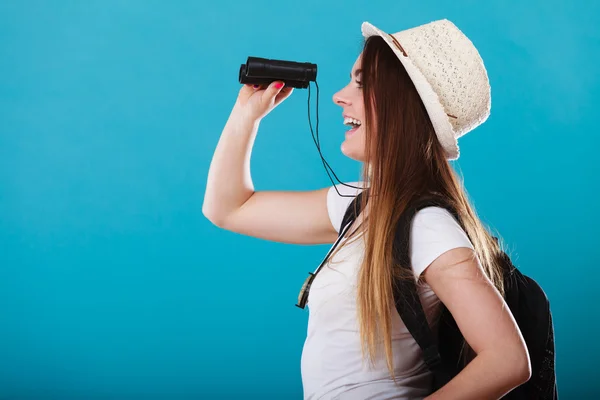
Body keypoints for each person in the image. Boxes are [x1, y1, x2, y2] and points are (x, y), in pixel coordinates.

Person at [203, 19, 531, 400]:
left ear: (402, 104)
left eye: (361, 82)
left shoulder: (427, 224)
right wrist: (247, 113)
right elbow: (228, 208)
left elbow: (507, 359)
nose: (339, 97)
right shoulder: (356, 206)